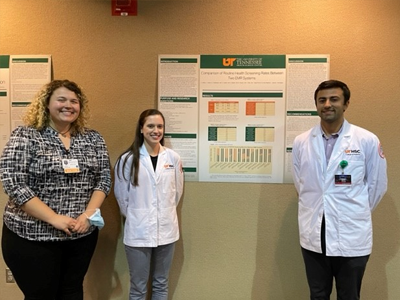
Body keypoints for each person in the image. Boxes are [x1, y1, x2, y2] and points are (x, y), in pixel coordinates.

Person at [0, 79, 112, 300]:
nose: (68, 105)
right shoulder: (26, 135)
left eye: (74, 101)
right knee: (41, 295)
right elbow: (13, 182)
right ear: (47, 103)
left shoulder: (92, 138)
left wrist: (88, 215)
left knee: (72, 292)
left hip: (81, 234)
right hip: (32, 237)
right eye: (61, 99)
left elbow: (104, 179)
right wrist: (53, 218)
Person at [291, 80, 387, 299]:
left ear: (346, 104)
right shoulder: (301, 142)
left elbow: (377, 186)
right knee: (317, 294)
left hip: (351, 234)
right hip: (314, 233)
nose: (327, 104)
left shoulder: (366, 140)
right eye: (321, 100)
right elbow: (301, 184)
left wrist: (353, 211)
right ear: (316, 105)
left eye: (334, 99)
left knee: (349, 295)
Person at [114, 109, 184, 300]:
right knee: (138, 287)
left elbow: (176, 193)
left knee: (161, 283)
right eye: (151, 126)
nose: (156, 130)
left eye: (159, 126)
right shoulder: (127, 160)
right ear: (142, 129)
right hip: (138, 230)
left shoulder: (173, 158)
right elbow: (122, 197)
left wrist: (160, 213)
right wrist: (141, 215)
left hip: (166, 229)